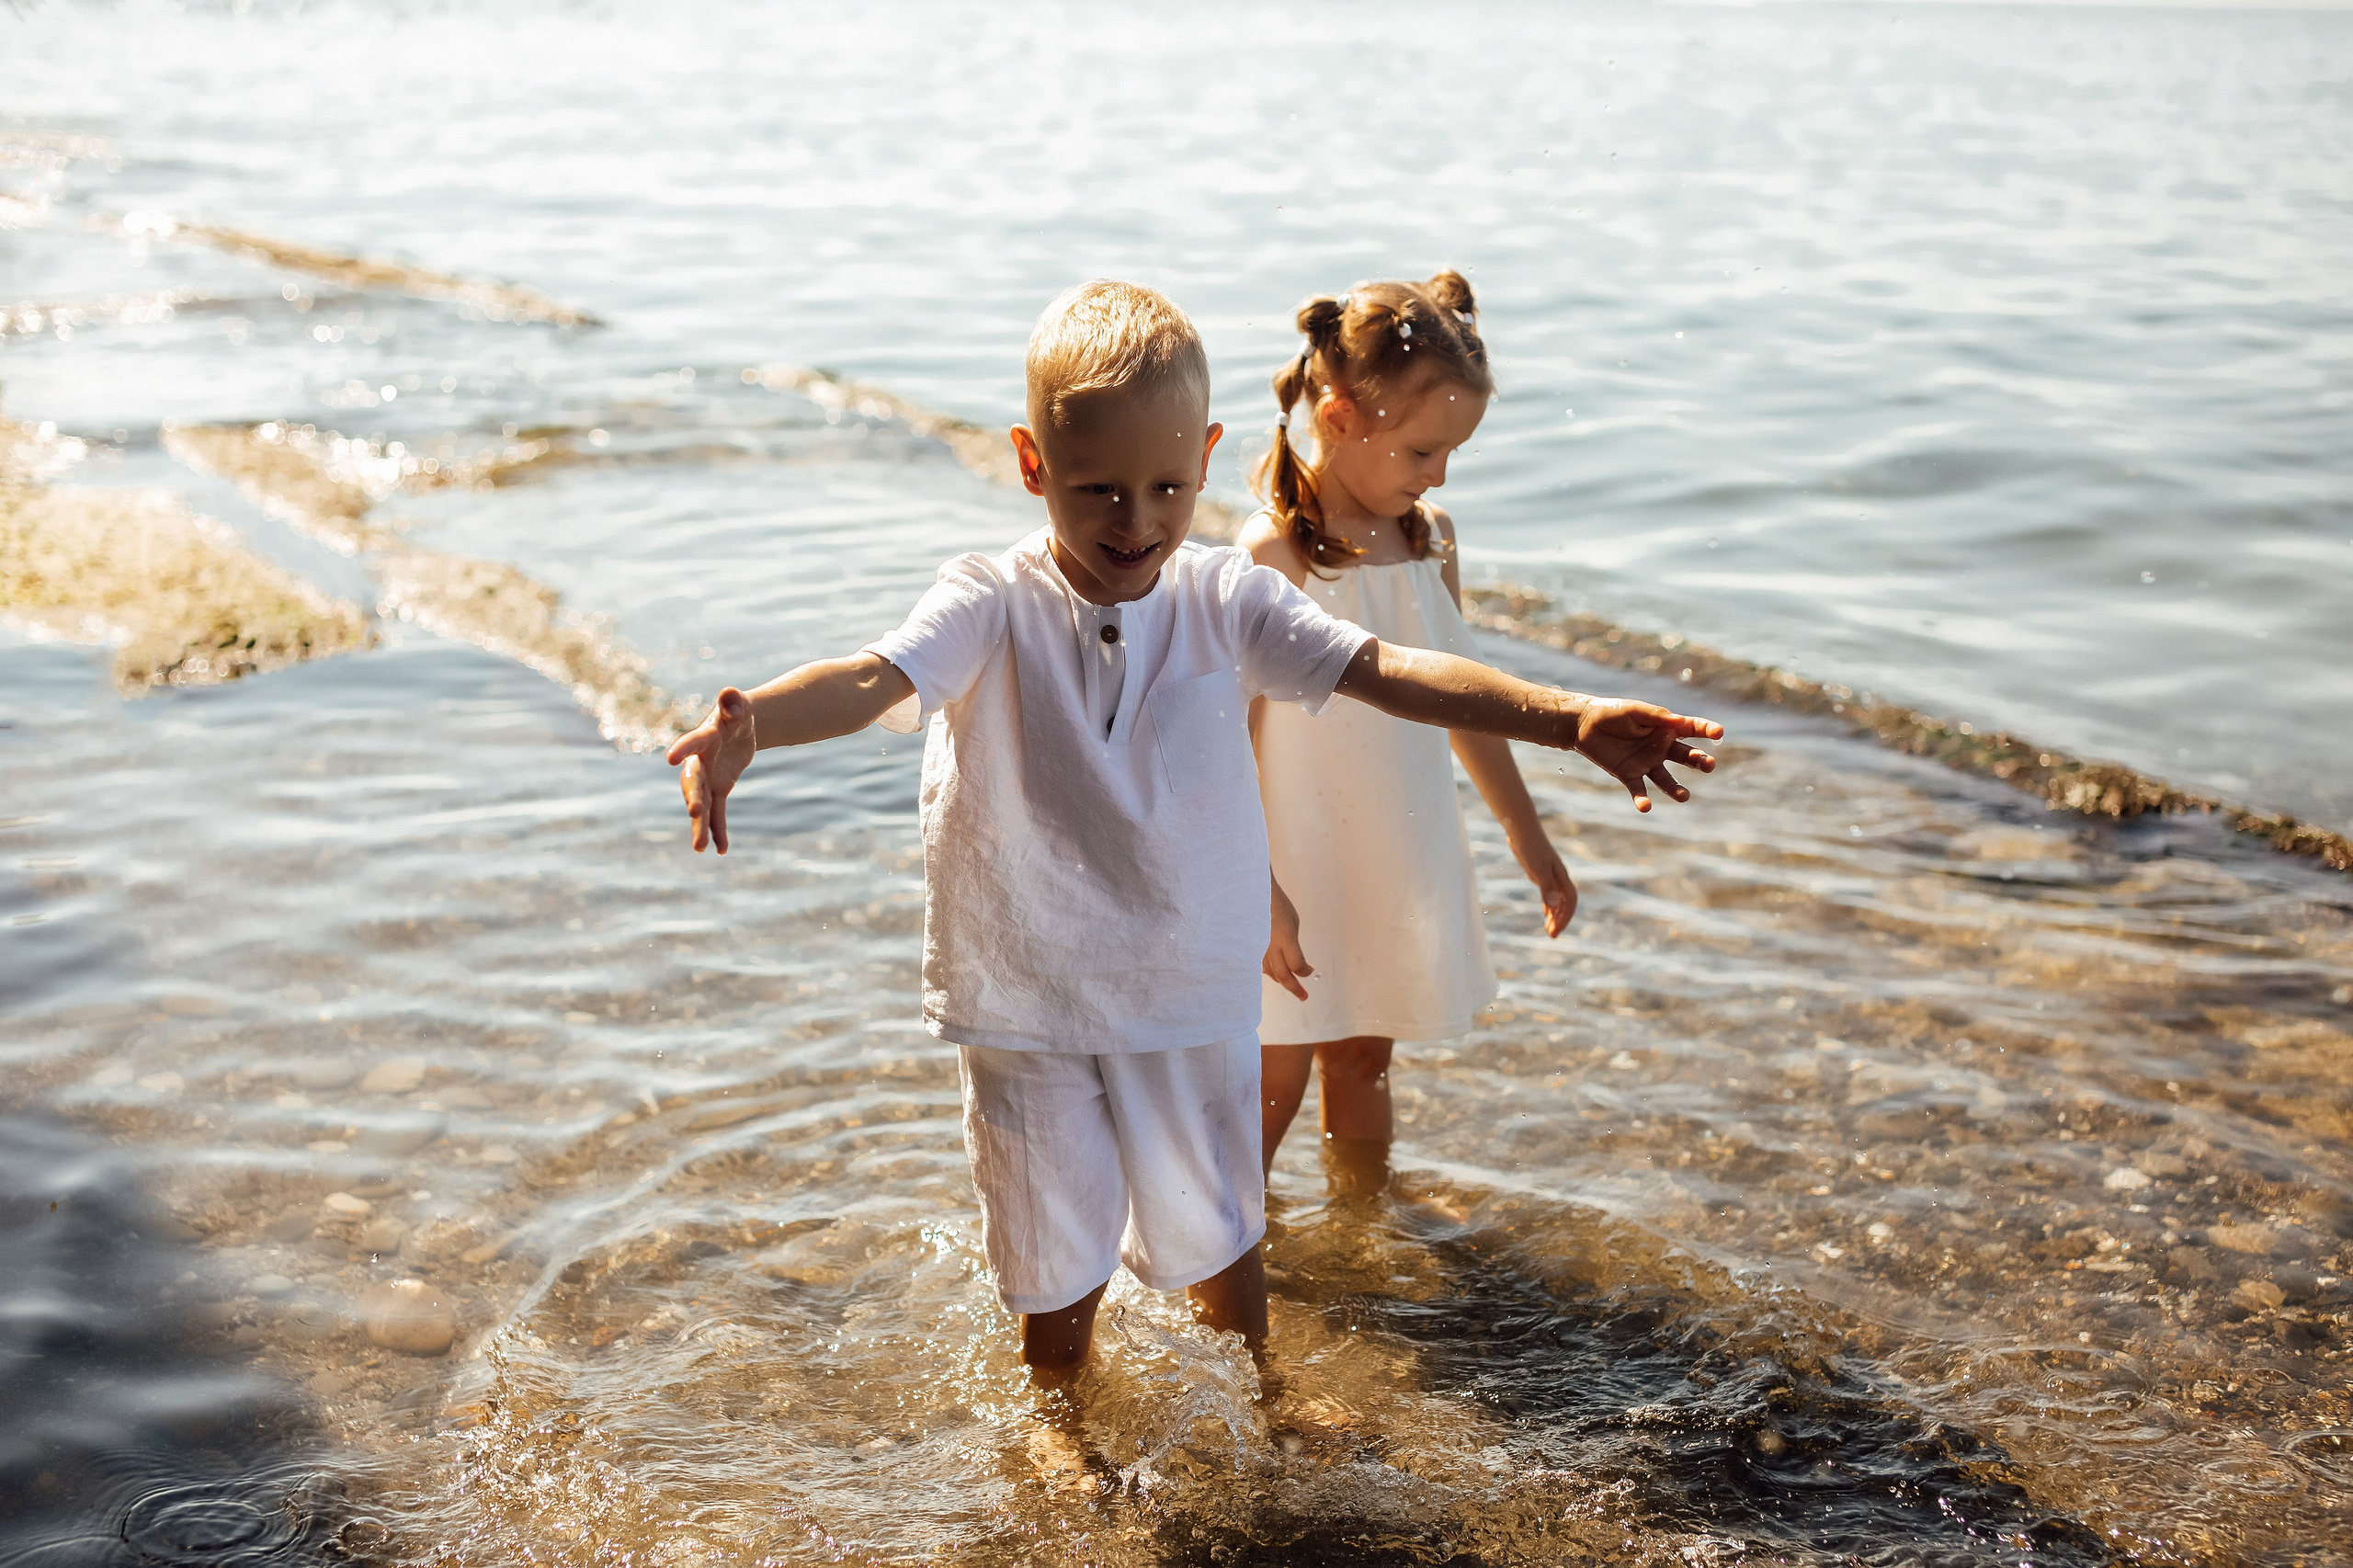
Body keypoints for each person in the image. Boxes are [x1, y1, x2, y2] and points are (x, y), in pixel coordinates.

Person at [665, 279, 1719, 1392]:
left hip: (1187, 984)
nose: (1136, 521)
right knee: (1052, 1243)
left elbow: (1394, 672)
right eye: (1098, 490)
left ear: (1208, 457)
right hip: (1030, 993)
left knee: (1220, 1226)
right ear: (1032, 465)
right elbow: (874, 675)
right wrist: (755, 729)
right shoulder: (988, 600)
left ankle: (1258, 1396)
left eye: (1167, 486)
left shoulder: (1226, 598)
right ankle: (1060, 1418)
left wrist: (1571, 717)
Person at [1245, 271, 1571, 1197]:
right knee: (1273, 1072)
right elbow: (1223, 738)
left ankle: (1360, 1236)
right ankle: (1226, 1262)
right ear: (1342, 414)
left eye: (1449, 456)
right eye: (1422, 451)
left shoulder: (1430, 540)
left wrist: (1527, 836)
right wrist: (1257, 888)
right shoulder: (1274, 554)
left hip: (1394, 844)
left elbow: (1470, 703)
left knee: (1364, 1055)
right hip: (1292, 862)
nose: (1435, 476)